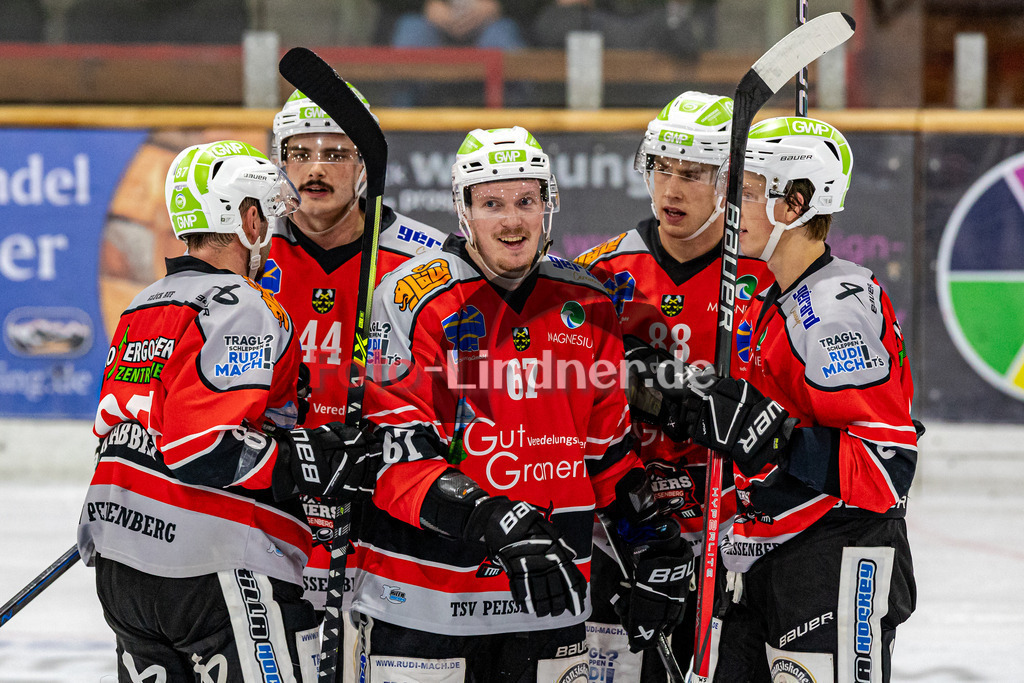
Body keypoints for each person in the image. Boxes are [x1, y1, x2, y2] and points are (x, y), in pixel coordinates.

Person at [349, 126, 694, 681]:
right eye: (492, 203)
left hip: (550, 599)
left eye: (526, 202)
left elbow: (606, 456)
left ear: (548, 207)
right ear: (464, 211)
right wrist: (493, 520)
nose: (512, 221)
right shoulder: (410, 297)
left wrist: (649, 539)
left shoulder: (589, 302)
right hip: (426, 601)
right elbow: (396, 460)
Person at [78, 140, 379, 682]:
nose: (271, 227)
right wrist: (315, 458)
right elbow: (204, 448)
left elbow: (127, 432)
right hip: (210, 563)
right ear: (245, 217)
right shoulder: (244, 304)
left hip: (123, 560)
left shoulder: (145, 302)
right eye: (265, 210)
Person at [672, 117, 918, 682]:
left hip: (836, 555)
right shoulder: (777, 290)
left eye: (750, 194)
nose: (732, 209)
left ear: (795, 204)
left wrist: (770, 434)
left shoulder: (832, 311)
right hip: (769, 555)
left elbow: (886, 471)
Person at [575, 91, 773, 681]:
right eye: (661, 168)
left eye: (692, 173)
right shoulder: (601, 275)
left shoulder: (769, 276)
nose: (671, 190)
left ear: (731, 183)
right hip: (628, 530)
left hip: (737, 532)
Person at [266, 86, 448, 617]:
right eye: (299, 153)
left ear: (365, 164)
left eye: (335, 153)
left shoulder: (424, 258)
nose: (314, 169)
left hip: (387, 498)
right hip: (281, 496)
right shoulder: (248, 253)